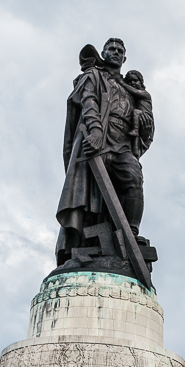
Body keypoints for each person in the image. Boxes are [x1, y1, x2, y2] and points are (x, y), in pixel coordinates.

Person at [55, 37, 153, 266]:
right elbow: (88, 101)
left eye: (120, 50)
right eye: (111, 49)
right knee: (91, 198)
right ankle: (84, 249)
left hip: (122, 144)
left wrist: (143, 117)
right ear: (104, 53)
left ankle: (130, 235)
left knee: (134, 178)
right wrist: (96, 131)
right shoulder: (94, 76)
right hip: (97, 140)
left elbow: (146, 124)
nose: (116, 52)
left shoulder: (132, 88)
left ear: (125, 58)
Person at [121, 70, 153, 159]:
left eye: (135, 81)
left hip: (145, 116)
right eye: (130, 81)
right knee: (135, 137)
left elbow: (134, 92)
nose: (132, 83)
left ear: (141, 82)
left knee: (135, 112)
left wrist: (122, 83)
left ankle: (135, 130)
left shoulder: (145, 94)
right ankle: (135, 151)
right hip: (139, 117)